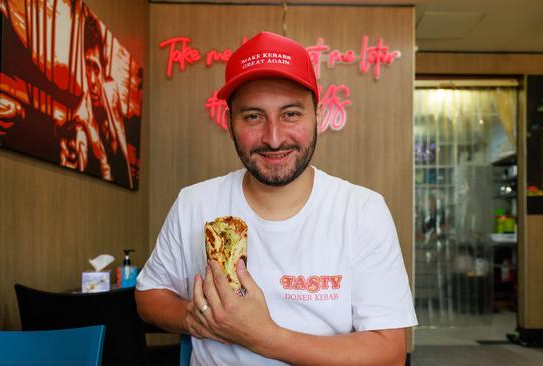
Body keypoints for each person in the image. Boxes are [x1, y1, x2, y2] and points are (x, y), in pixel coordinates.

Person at [135, 32, 417, 365]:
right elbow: (149, 296)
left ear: (318, 116)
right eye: (253, 116)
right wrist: (197, 318)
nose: (273, 138)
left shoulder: (361, 211)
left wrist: (262, 335)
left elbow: (389, 353)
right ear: (229, 123)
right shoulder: (194, 203)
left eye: (291, 114)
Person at [58, 10, 132, 188]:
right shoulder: (81, 124)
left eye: (96, 69)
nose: (91, 79)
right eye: (88, 67)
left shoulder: (112, 90)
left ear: (104, 68)